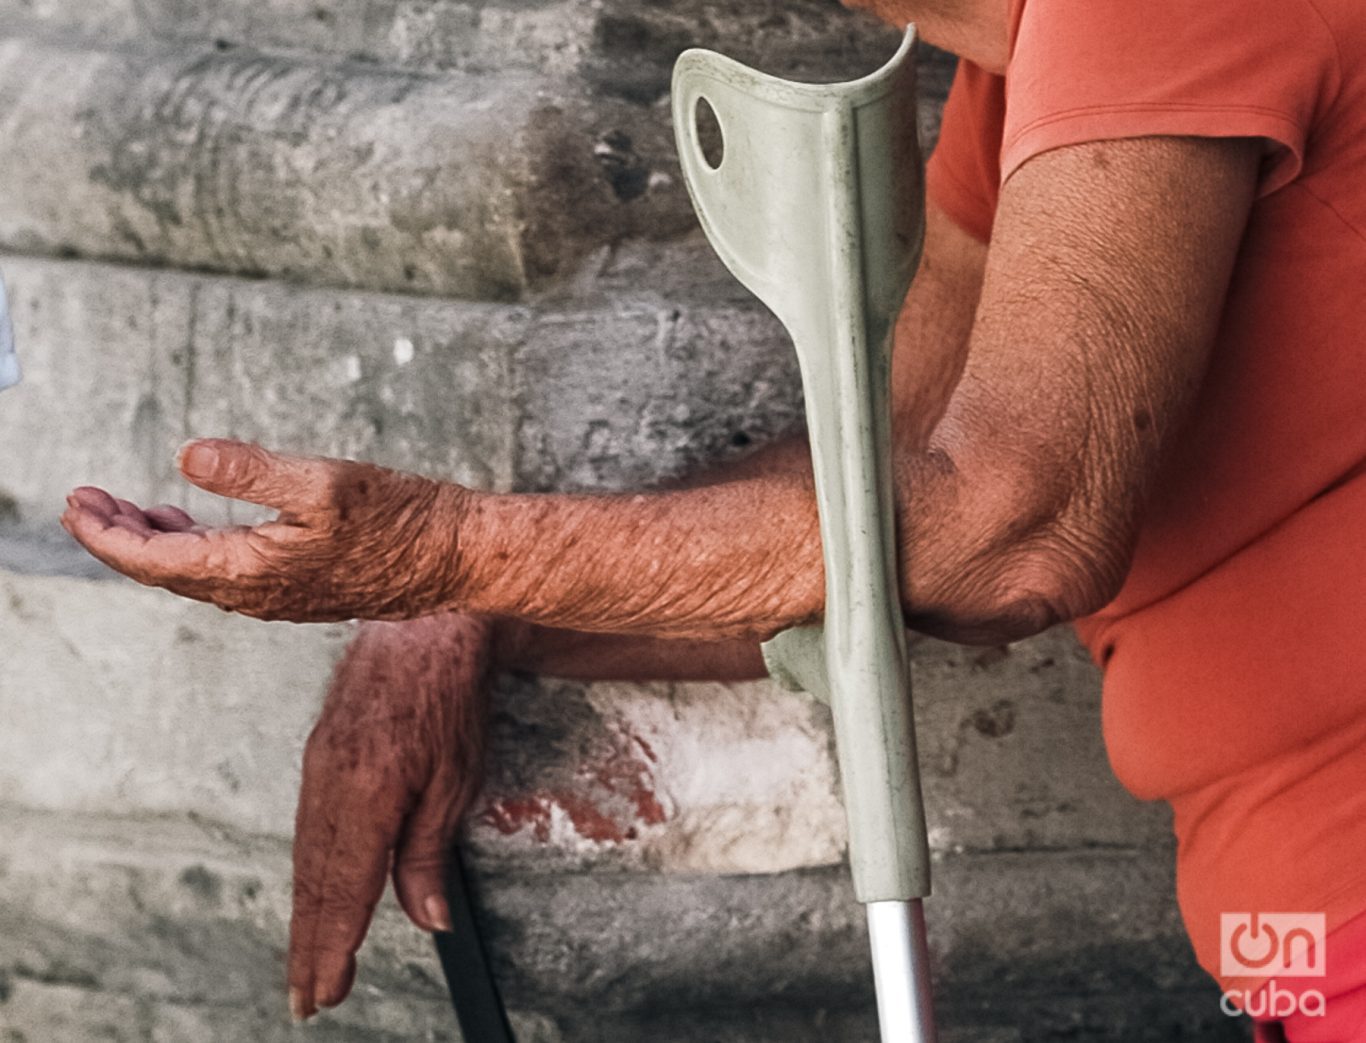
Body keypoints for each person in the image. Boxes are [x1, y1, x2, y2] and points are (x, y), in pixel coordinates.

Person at [61, 0, 1366, 1036]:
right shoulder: (1025, 78)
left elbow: (1008, 530)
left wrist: (453, 547)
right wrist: (471, 607)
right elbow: (873, 491)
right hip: (1287, 940)